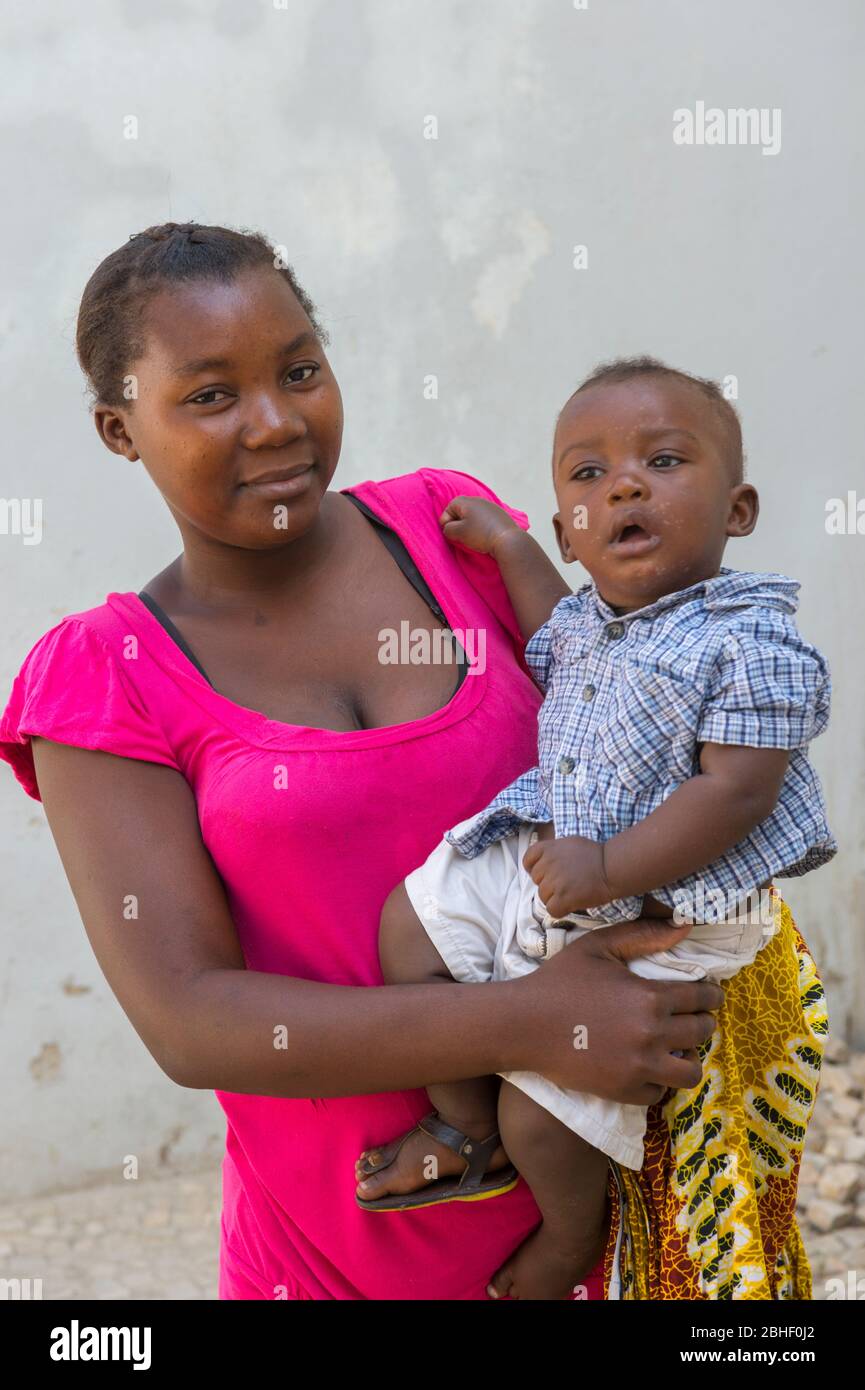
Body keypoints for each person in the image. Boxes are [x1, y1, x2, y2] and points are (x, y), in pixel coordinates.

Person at [0, 223, 825, 1300]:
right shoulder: (105, 675)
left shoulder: (452, 533)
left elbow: (646, 703)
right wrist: (534, 1022)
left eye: (300, 369)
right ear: (120, 428)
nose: (277, 421)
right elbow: (191, 1018)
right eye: (211, 395)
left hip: (631, 1213)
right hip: (341, 1255)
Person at [353, 359, 836, 1301]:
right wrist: (505, 544)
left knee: (550, 1118)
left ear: (736, 511)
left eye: (662, 460)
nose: (622, 483)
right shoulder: (590, 620)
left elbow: (734, 793)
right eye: (587, 474)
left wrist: (610, 864)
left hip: (676, 901)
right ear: (574, 533)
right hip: (561, 860)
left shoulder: (750, 640)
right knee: (406, 930)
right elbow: (546, 628)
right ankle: (465, 1130)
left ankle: (568, 1235)